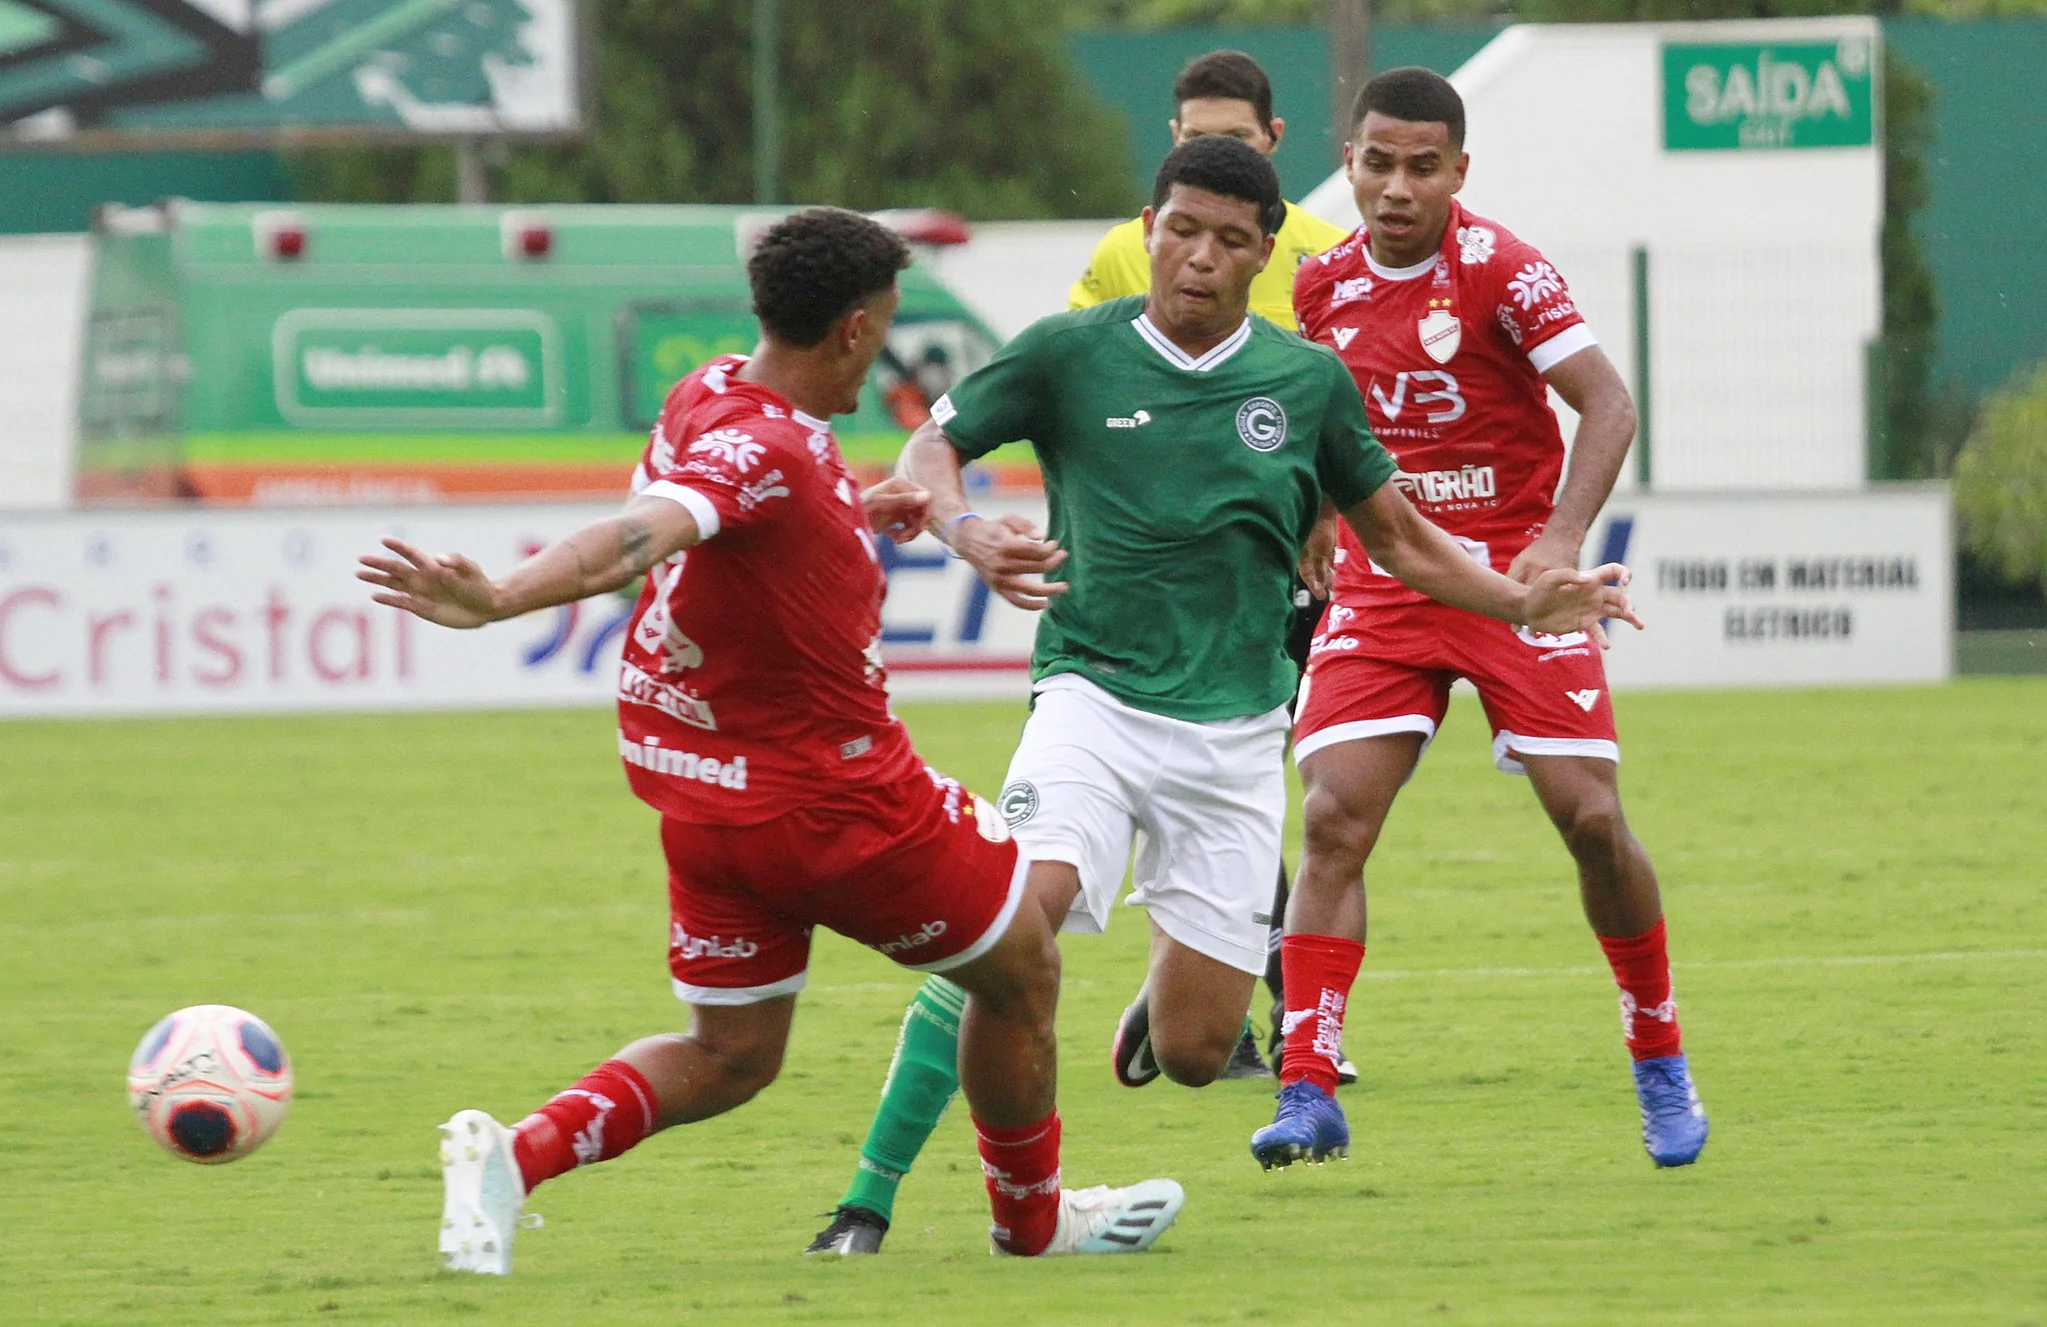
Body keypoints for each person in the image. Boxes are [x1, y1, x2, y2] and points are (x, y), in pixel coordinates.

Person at [805, 136, 1641, 1256]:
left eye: (1229, 240)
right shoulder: (1067, 354)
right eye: (1181, 230)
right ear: (1148, 230)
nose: (1198, 257)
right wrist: (967, 531)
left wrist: (1519, 602)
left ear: (1261, 257)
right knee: (1010, 931)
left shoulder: (1304, 382)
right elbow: (932, 444)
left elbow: (1395, 537)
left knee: (1202, 1054)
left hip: (1237, 737)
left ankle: (1158, 1010)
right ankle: (869, 1200)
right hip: (1091, 703)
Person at [358, 208, 1187, 1274]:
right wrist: (504, 594)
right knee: (1022, 964)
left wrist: (855, 506)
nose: (877, 352)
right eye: (880, 329)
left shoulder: (709, 393)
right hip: (834, 805)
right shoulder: (770, 448)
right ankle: (1035, 1225)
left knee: (732, 1054)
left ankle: (510, 1159)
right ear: (849, 329)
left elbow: (747, 524)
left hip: (704, 804)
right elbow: (642, 534)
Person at [1254, 68, 1710, 1172]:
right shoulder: (1319, 286)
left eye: (1422, 166)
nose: (1396, 186)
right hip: (1389, 585)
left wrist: (1555, 542)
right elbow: (1333, 420)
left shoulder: (1503, 270)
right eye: (1377, 163)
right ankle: (1308, 1083)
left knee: (1590, 820)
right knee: (1332, 819)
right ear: (1350, 163)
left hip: (1517, 586)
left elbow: (1608, 401)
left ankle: (1656, 1050)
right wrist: (1318, 513)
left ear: (1459, 172)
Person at [1066, 47, 1354, 1083]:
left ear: (1273, 143)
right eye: (1194, 142)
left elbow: (1350, 411)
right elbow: (1082, 389)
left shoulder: (1324, 255)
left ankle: (1212, 996)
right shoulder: (1117, 254)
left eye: (1233, 139)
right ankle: (1251, 1011)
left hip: (1289, 569)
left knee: (1260, 784)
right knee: (1214, 778)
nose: (1215, 154)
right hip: (1152, 584)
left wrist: (1323, 511)